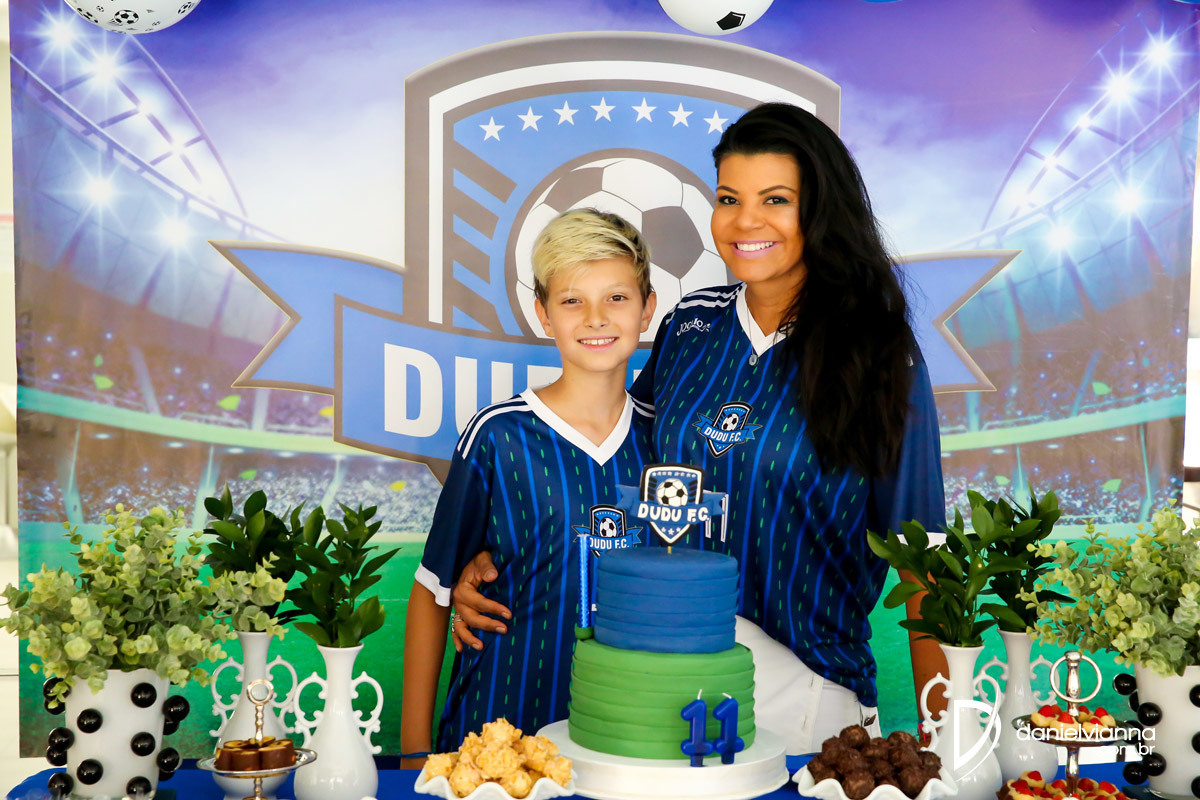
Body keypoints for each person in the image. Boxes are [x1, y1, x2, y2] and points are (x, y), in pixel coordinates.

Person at [447, 102, 946, 754]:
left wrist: (947, 744)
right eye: (729, 198)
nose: (745, 221)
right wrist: (493, 562)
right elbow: (615, 461)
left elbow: (922, 565)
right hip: (662, 674)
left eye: (775, 199)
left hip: (805, 690)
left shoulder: (881, 357)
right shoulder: (689, 327)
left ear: (821, 209)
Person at [400, 208, 658, 766]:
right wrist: (414, 754)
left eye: (616, 298)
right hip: (500, 727)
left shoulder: (666, 441)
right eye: (572, 301)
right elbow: (432, 589)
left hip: (630, 738)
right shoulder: (498, 435)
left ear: (647, 308)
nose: (595, 318)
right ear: (543, 314)